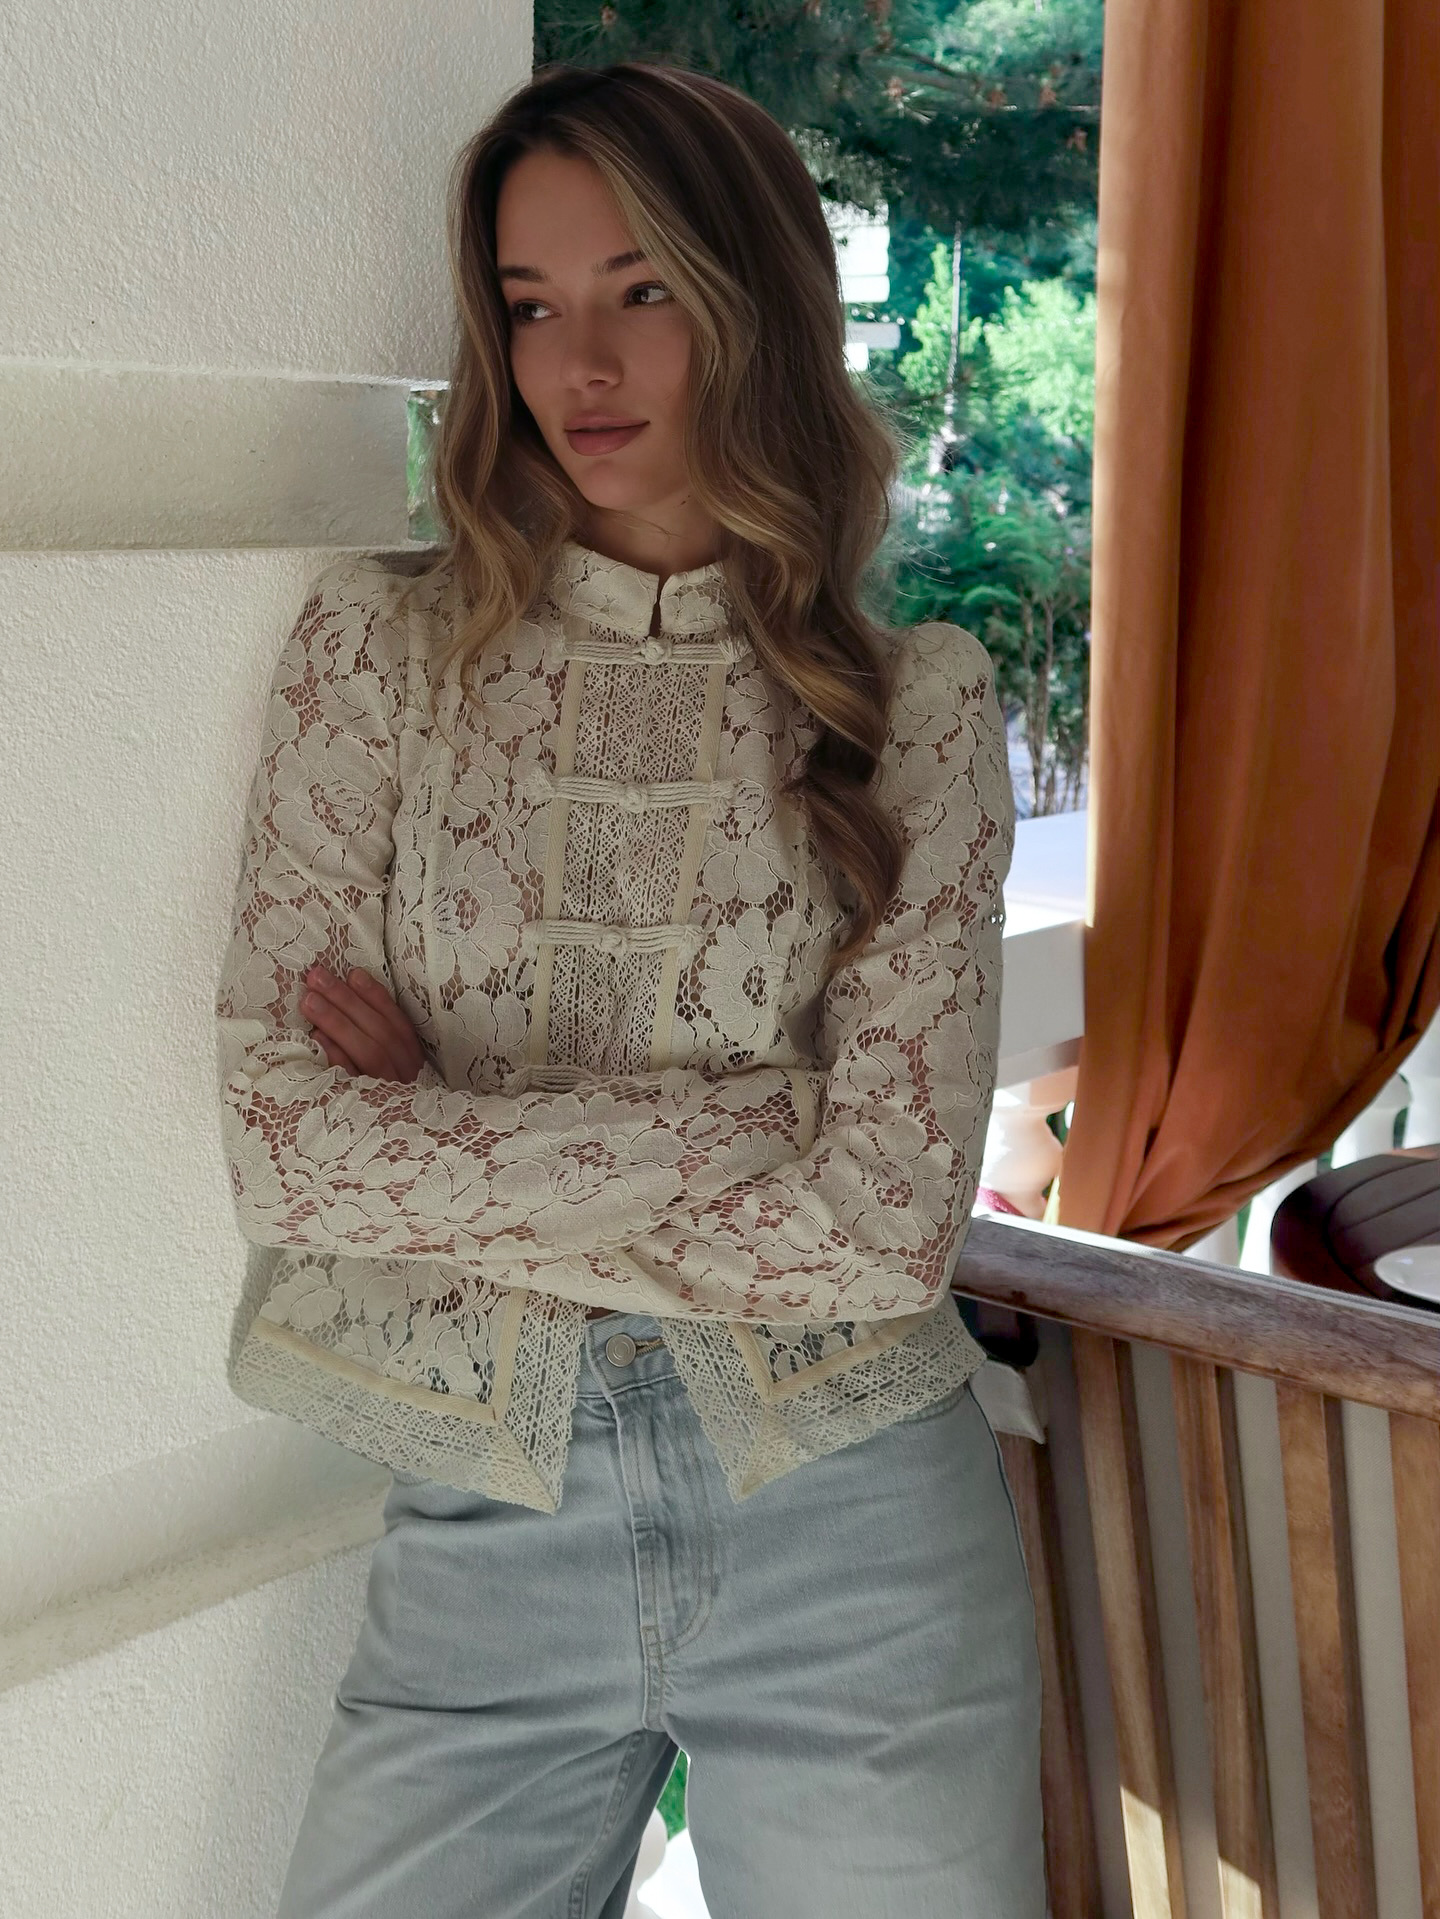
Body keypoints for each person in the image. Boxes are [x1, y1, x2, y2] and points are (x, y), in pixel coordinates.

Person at [213, 58, 1044, 1919]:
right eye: (529, 306)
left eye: (640, 289)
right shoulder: (382, 652)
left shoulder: (916, 706)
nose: (577, 363)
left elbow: (883, 1229)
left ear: (755, 301)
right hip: (483, 1533)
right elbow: (291, 1153)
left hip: (854, 1524)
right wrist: (768, 1117)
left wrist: (450, 1136)